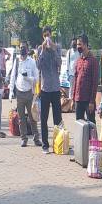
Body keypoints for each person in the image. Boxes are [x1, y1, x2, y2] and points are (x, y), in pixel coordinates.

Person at [10, 41, 42, 147]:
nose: (22, 49)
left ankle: (36, 138)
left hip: (29, 93)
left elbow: (37, 78)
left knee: (32, 117)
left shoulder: (32, 62)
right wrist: (11, 91)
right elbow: (13, 76)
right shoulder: (17, 61)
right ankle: (24, 138)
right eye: (21, 47)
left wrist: (28, 78)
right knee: (21, 118)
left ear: (27, 49)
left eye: (24, 47)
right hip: (19, 92)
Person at [37, 26, 63, 154]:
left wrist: (53, 49)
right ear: (42, 36)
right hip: (45, 88)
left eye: (49, 35)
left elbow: (59, 63)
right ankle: (45, 145)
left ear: (51, 35)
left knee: (58, 118)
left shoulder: (56, 47)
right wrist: (42, 50)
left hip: (55, 88)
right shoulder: (39, 48)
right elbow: (38, 66)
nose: (47, 37)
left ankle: (59, 143)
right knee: (44, 118)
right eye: (45, 35)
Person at [73, 34, 99, 124]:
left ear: (85, 44)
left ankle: (92, 139)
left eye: (79, 44)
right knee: (79, 126)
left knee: (91, 126)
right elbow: (75, 80)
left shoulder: (93, 61)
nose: (78, 47)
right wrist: (73, 98)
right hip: (78, 99)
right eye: (77, 45)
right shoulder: (78, 61)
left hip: (88, 100)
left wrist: (92, 101)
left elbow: (95, 82)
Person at [65, 38, 79, 111]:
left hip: (78, 73)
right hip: (71, 73)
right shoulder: (69, 52)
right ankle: (70, 106)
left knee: (77, 89)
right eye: (72, 43)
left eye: (75, 43)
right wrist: (67, 72)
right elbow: (67, 62)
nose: (73, 44)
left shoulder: (80, 52)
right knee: (71, 89)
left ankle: (76, 105)